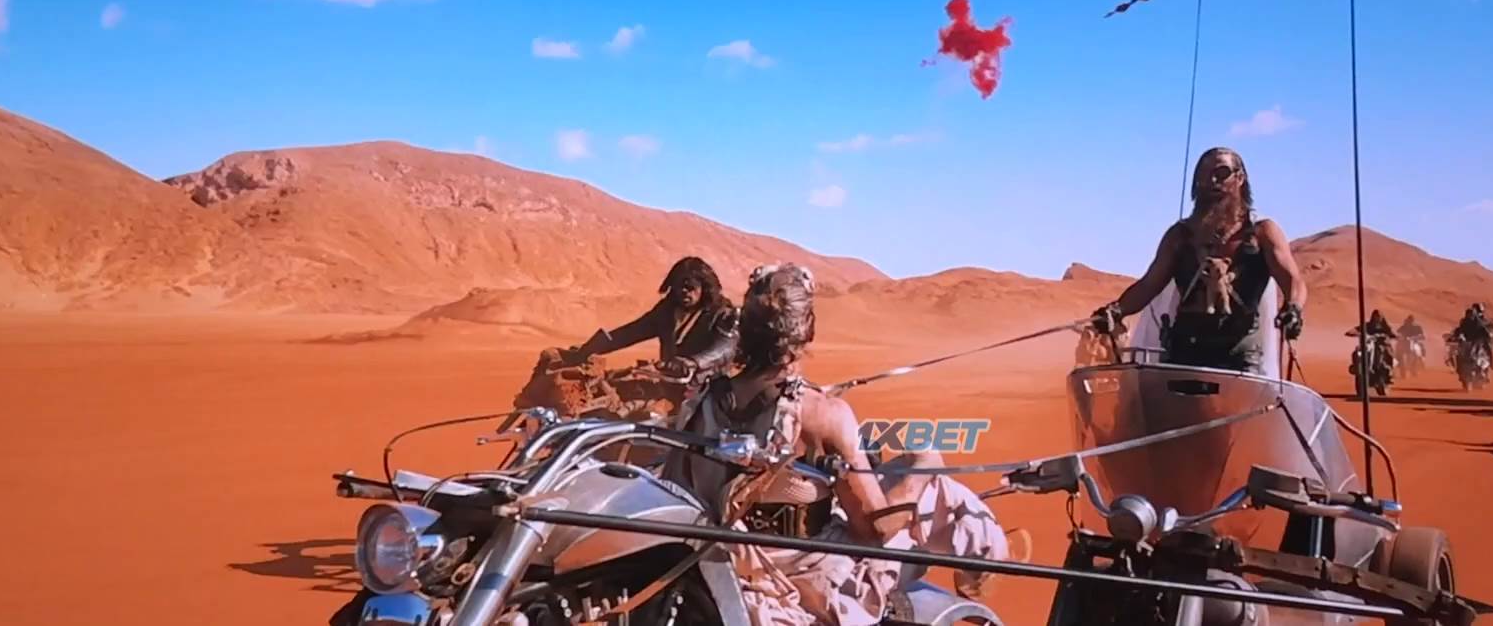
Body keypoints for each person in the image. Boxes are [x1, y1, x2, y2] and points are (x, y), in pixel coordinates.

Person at [660, 264, 1026, 626]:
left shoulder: (704, 398)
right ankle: (989, 557)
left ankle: (986, 553)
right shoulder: (825, 415)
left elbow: (676, 486)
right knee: (932, 482)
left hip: (723, 561)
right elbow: (874, 531)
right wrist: (923, 467)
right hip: (807, 575)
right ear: (807, 330)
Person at [1090, 147, 1308, 374]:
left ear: (1240, 178)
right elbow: (1149, 285)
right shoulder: (1179, 236)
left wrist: (1293, 308)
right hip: (1184, 351)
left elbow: (1293, 280)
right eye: (1204, 175)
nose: (1212, 181)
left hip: (1240, 356)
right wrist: (1116, 311)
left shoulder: (1262, 233)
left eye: (1222, 173)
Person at [517, 257, 738, 418]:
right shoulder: (667, 310)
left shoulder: (721, 313)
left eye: (690, 287)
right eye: (679, 286)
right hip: (668, 385)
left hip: (706, 390)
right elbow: (633, 332)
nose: (684, 292)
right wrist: (589, 349)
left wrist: (694, 362)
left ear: (704, 287)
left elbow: (726, 347)